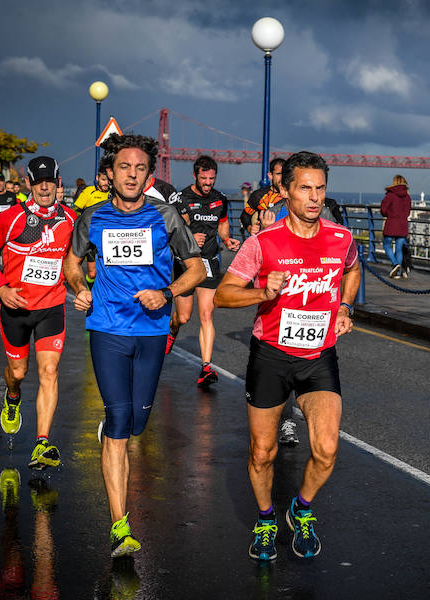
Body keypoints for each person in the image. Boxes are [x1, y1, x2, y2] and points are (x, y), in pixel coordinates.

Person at [63, 133, 204, 558]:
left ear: (148, 175)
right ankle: (120, 525)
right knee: (120, 419)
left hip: (151, 332)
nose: (132, 174)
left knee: (138, 423)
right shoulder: (91, 217)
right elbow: (72, 263)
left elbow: (196, 269)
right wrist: (80, 287)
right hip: (107, 328)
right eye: (124, 167)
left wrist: (167, 292)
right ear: (110, 173)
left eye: (140, 168)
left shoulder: (166, 217)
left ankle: (116, 429)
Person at [214, 150, 360, 561]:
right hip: (272, 356)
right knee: (263, 452)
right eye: (304, 189)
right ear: (286, 191)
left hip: (318, 356)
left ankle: (302, 507)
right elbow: (223, 296)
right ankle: (264, 520)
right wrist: (264, 292)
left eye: (320, 189)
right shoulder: (263, 243)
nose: (314, 198)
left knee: (327, 448)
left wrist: (345, 308)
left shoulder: (341, 238)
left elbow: (352, 268)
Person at [0, 156, 77, 471]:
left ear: (58, 183)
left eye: (50, 181)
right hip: (15, 308)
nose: (44, 187)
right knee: (18, 373)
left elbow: (79, 258)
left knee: (49, 372)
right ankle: (13, 395)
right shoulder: (11, 218)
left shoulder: (71, 219)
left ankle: (41, 443)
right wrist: (1, 289)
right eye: (38, 181)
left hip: (52, 306)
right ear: (29, 184)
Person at [167, 155, 241, 388]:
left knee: (207, 315)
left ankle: (206, 367)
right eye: (204, 178)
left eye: (211, 178)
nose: (208, 183)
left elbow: (222, 224)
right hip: (186, 263)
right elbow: (172, 229)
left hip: (210, 261)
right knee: (184, 316)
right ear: (195, 176)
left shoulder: (220, 200)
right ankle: (173, 329)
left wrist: (227, 239)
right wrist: (189, 237)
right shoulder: (181, 198)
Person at [73, 161, 113, 287]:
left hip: (109, 238)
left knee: (109, 273)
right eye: (103, 179)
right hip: (91, 238)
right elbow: (75, 211)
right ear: (97, 178)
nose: (106, 183)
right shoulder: (88, 191)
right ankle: (91, 295)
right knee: (92, 273)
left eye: (108, 180)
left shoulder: (114, 193)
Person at [240, 158, 285, 235]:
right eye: (278, 174)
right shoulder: (259, 195)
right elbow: (245, 216)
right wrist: (250, 228)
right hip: (265, 241)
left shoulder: (294, 195)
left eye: (285, 174)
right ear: (270, 175)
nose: (282, 178)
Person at [380, 174, 412, 279]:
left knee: (386, 245)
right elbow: (407, 212)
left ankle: (395, 264)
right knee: (399, 249)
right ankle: (397, 273)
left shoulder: (390, 195)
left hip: (391, 224)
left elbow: (383, 210)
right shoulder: (407, 196)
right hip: (403, 225)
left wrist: (389, 213)